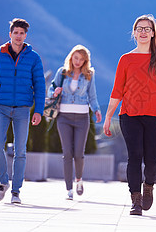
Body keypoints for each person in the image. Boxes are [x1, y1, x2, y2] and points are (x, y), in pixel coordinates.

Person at [103, 14, 156, 216]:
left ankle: (149, 185)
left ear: (153, 34)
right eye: (139, 28)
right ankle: (135, 200)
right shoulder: (126, 59)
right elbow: (117, 91)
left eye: (147, 29)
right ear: (134, 33)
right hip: (130, 115)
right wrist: (109, 116)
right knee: (134, 157)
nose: (143, 32)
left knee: (152, 161)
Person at [0, 18, 45, 204]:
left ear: (26, 35)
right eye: (15, 32)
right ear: (10, 34)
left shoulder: (34, 58)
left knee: (20, 151)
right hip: (1, 108)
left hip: (23, 109)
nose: (18, 36)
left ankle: (16, 191)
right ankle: (3, 182)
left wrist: (38, 111)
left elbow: (40, 86)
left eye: (22, 33)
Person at [48, 44, 102, 200]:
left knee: (79, 154)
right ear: (71, 57)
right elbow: (51, 89)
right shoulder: (62, 72)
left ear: (85, 61)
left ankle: (78, 179)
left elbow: (92, 96)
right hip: (63, 117)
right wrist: (54, 91)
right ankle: (69, 189)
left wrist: (97, 110)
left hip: (82, 118)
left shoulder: (89, 75)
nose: (78, 61)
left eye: (81, 59)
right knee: (67, 153)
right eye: (76, 58)